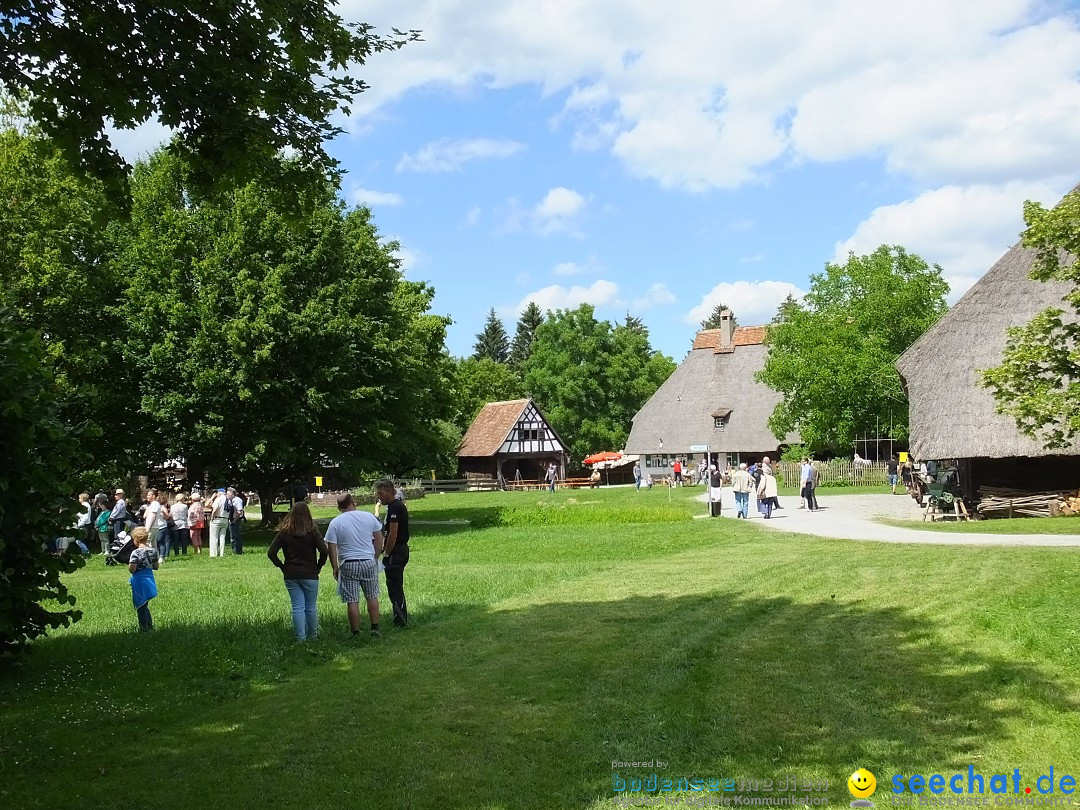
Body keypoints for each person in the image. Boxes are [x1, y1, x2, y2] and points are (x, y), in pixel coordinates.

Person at [267, 501, 328, 642]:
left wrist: (281, 566)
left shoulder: (284, 532)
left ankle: (300, 638)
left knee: (297, 606)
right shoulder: (312, 531)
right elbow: (324, 550)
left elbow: (271, 553)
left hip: (291, 573)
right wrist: (319, 565)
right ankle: (313, 636)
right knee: (311, 606)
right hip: (310, 572)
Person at [325, 493, 384, 637]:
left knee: (352, 600)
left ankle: (355, 631)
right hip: (368, 561)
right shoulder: (368, 517)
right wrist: (375, 556)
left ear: (339, 507)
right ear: (353, 502)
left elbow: (331, 546)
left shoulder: (336, 522)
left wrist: (335, 566)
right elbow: (378, 537)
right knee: (372, 595)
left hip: (348, 563)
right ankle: (374, 627)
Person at [376, 479, 410, 628]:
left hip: (396, 552)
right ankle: (399, 616)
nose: (379, 497)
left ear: (389, 491)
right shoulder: (393, 507)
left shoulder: (396, 508)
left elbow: (393, 535)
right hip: (400, 550)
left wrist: (387, 553)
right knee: (395, 586)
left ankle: (400, 619)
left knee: (394, 586)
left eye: (381, 493)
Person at [127, 527, 159, 632]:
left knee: (140, 604)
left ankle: (144, 627)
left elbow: (132, 569)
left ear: (136, 539)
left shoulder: (135, 553)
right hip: (149, 579)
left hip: (139, 580)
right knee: (145, 603)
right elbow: (156, 567)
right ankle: (149, 625)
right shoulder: (153, 551)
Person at [208, 488, 230, 557]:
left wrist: (212, 518)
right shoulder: (228, 499)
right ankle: (222, 553)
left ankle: (213, 554)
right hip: (225, 519)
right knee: (222, 536)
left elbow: (214, 509)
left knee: (214, 537)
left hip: (217, 519)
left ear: (218, 493)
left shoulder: (219, 499)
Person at [227, 487, 245, 554]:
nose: (227, 496)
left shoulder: (237, 500)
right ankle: (234, 550)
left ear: (232, 494)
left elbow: (239, 512)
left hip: (236, 519)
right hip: (232, 519)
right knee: (232, 536)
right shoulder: (230, 501)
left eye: (228, 494)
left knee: (236, 535)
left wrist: (234, 520)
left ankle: (238, 551)